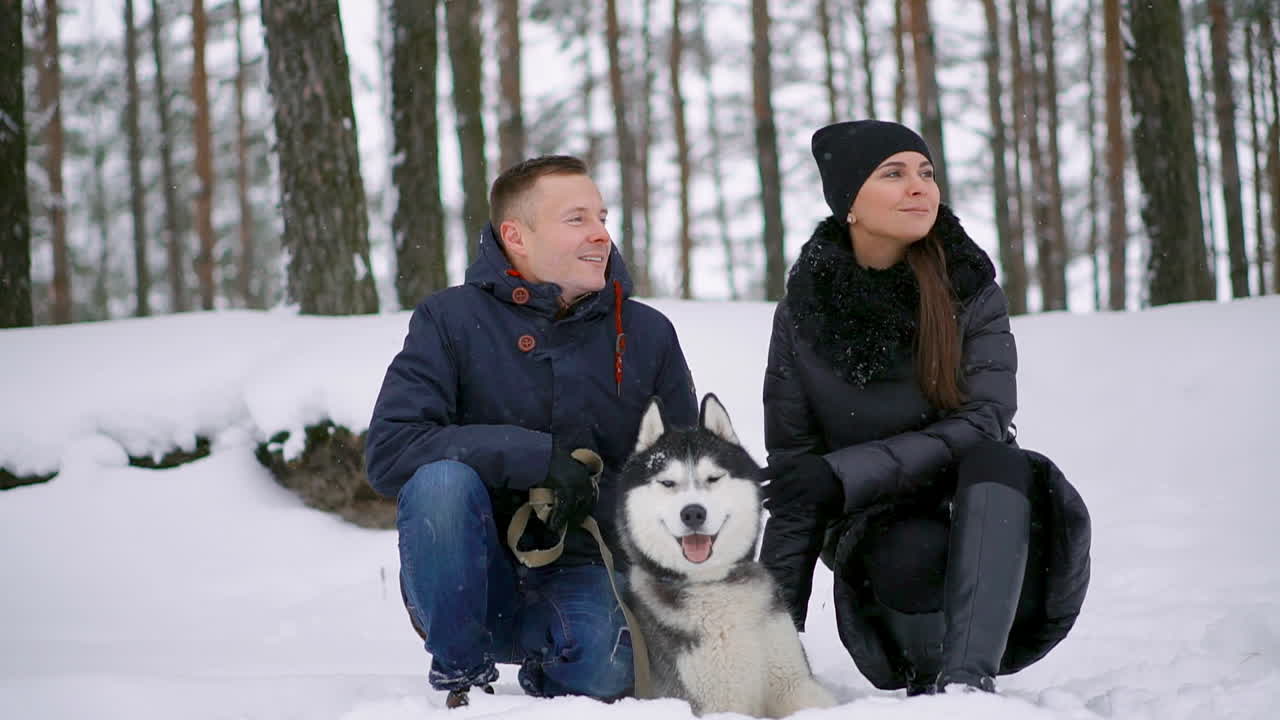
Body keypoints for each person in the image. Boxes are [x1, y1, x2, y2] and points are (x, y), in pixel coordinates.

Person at [759, 120, 1090, 696]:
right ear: (849, 205)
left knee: (1001, 459)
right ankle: (928, 678)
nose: (920, 187)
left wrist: (841, 476)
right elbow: (798, 483)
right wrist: (767, 654)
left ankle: (968, 688)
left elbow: (985, 418)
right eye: (894, 173)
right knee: (906, 548)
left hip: (1003, 542)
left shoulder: (969, 287)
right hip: (888, 559)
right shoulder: (802, 315)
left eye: (927, 172)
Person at [365, 155, 697, 707]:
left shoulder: (646, 332)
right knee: (440, 483)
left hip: (587, 565)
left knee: (609, 671)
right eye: (577, 220)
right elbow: (391, 451)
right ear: (516, 235)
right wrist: (533, 458)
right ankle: (462, 677)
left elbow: (685, 468)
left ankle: (556, 668)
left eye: (602, 217)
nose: (601, 235)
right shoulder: (448, 320)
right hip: (468, 568)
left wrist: (595, 497)